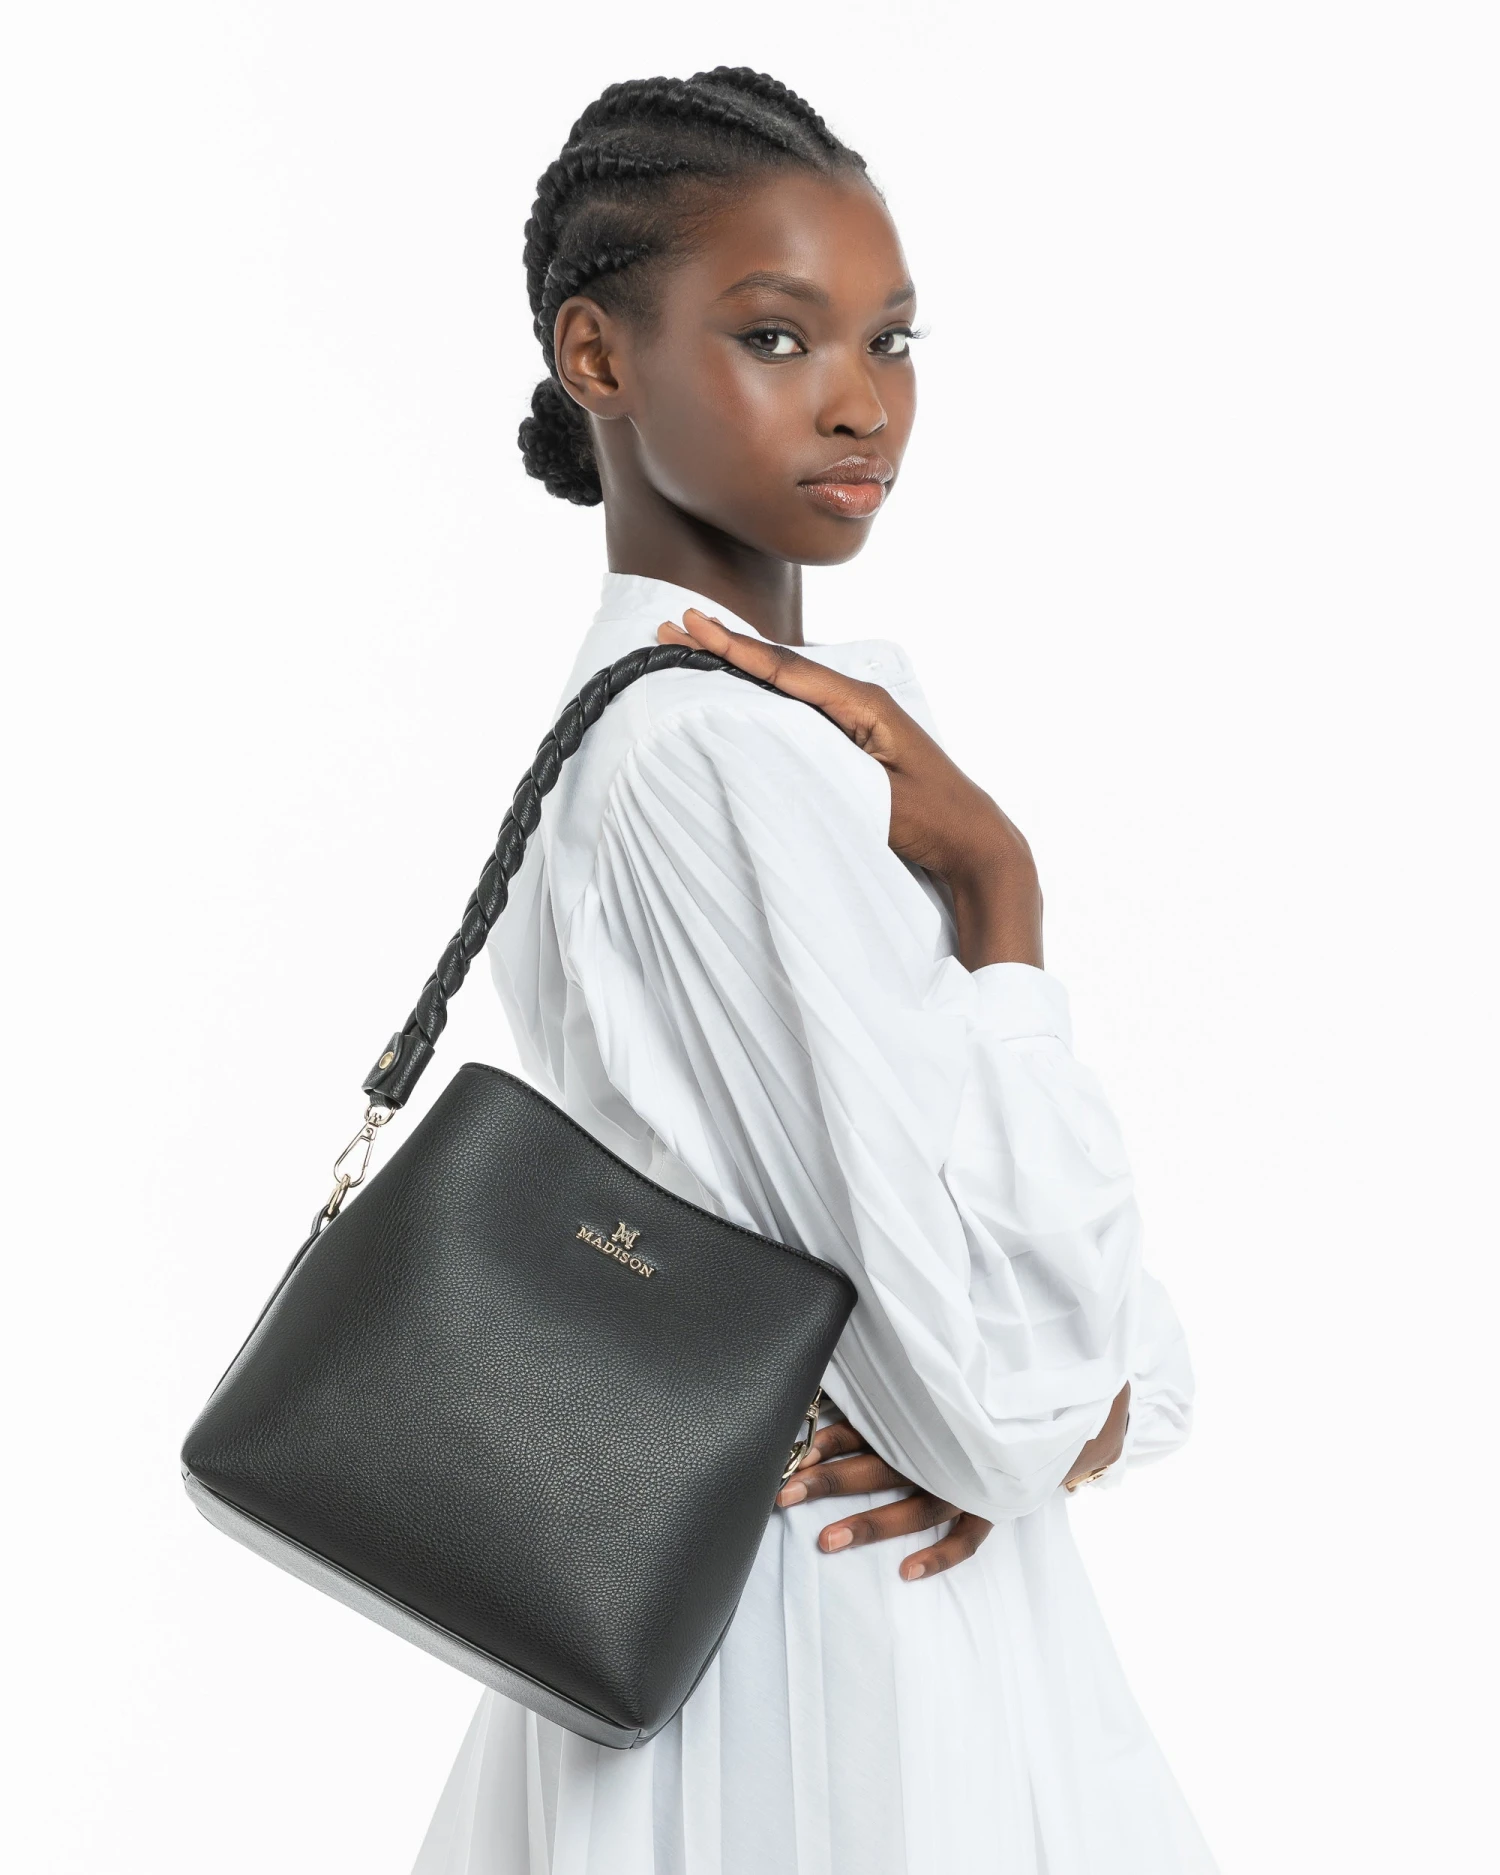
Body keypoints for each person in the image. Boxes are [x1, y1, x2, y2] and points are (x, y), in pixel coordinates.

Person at [412, 67, 1214, 1875]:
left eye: (894, 339)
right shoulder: (713, 757)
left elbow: (1057, 1362)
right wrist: (1001, 900)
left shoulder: (712, 735)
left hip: (743, 1592)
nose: (864, 402)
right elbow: (1001, 1404)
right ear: (598, 356)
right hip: (831, 1650)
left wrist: (1058, 1395)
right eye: (777, 336)